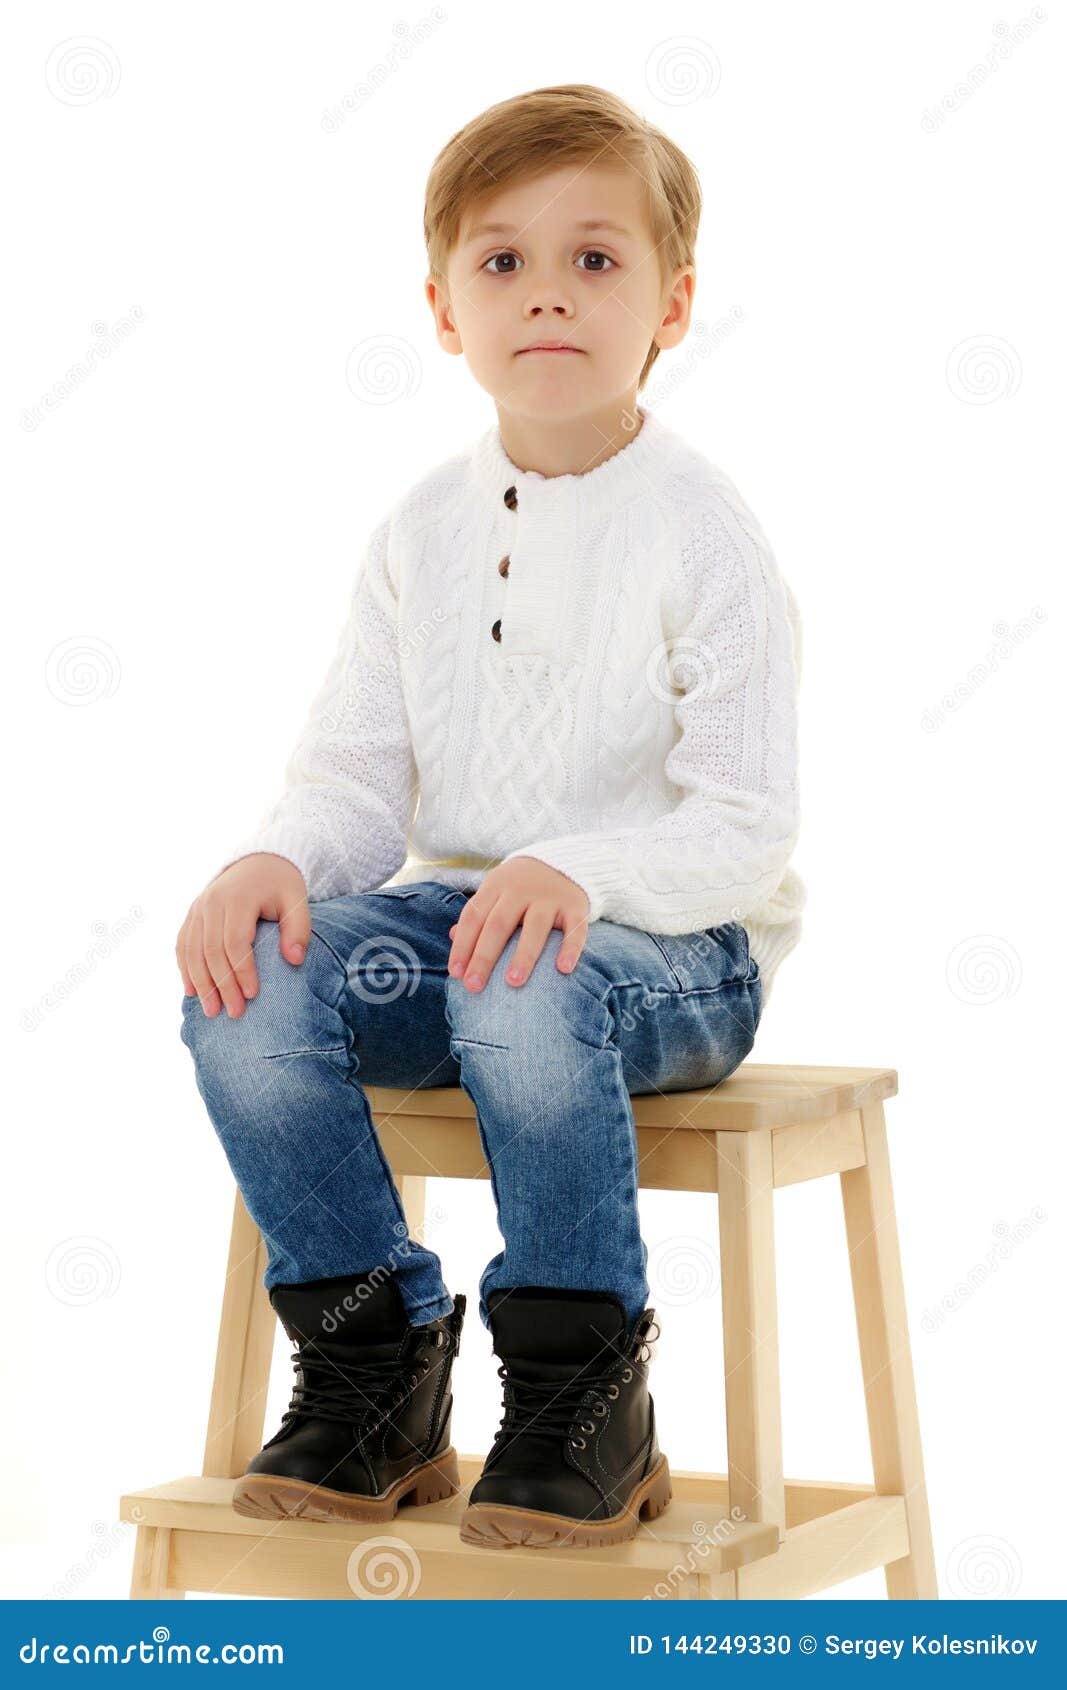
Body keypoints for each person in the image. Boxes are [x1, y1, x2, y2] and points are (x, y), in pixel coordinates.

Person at [177, 83, 805, 1553]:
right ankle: (371, 1356)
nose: (547, 296)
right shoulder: (421, 532)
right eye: (501, 261)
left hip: (673, 957)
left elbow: (746, 822)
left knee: (515, 972)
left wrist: (572, 870)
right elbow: (354, 776)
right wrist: (276, 854)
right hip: (460, 931)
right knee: (253, 980)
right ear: (447, 310)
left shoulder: (703, 528)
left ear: (673, 301)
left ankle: (584, 1390)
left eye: (596, 260)